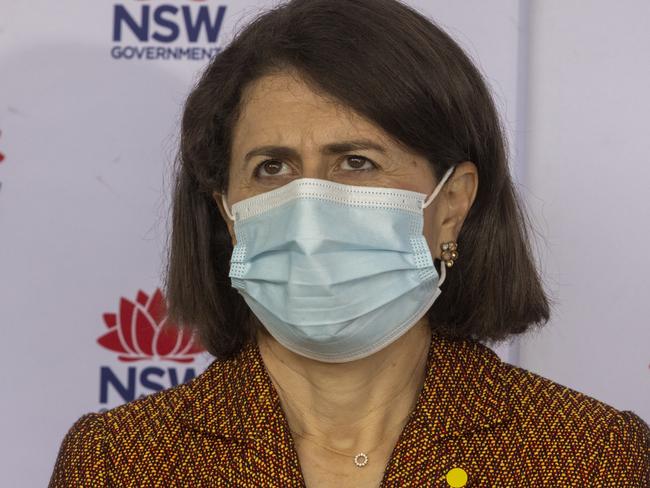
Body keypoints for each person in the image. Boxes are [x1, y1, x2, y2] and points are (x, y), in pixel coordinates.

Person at [49, 0, 649, 486]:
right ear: (229, 215)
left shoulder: (587, 456)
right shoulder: (118, 463)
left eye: (356, 161)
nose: (308, 211)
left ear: (452, 206)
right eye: (272, 168)